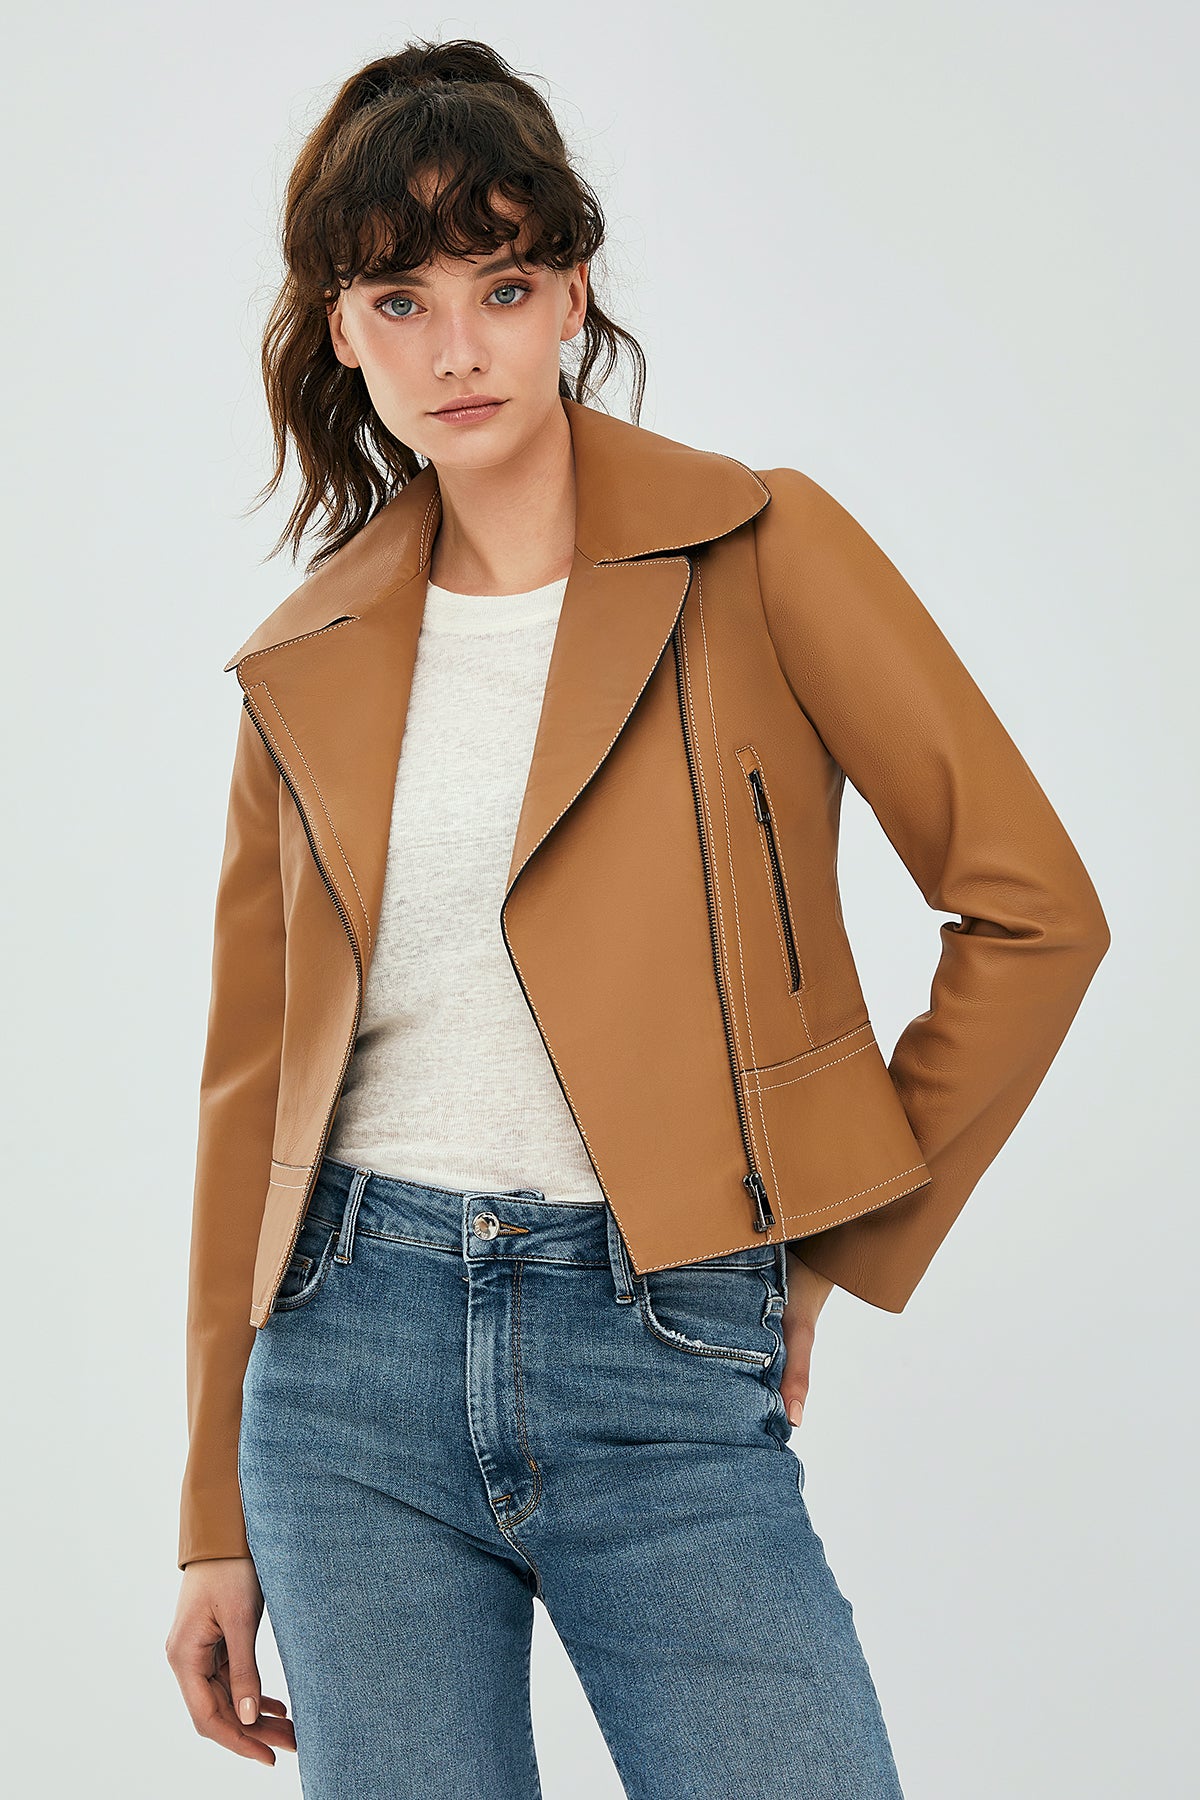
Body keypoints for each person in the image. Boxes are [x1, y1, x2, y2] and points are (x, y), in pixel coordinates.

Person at [164, 37, 1110, 1799]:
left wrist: (825, 1242)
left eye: (503, 286)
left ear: (572, 293)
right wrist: (209, 1514)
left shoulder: (760, 546)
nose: (458, 348)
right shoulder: (304, 655)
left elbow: (1034, 913)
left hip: (665, 1342)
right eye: (401, 300)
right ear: (342, 329)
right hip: (343, 1372)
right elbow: (250, 1096)